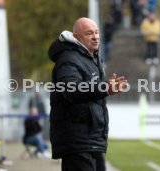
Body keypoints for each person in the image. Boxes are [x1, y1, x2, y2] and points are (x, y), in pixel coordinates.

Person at [48, 17, 127, 171]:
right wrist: (104, 88)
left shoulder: (92, 56)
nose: (95, 36)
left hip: (91, 139)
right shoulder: (68, 58)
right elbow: (72, 91)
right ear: (76, 37)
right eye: (89, 33)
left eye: (97, 32)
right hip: (77, 141)